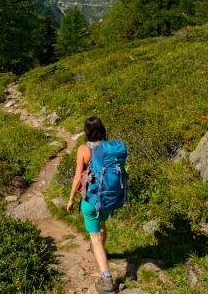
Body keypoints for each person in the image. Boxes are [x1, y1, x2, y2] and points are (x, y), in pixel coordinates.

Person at [67, 117, 118, 294]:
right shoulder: (110, 147)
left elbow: (77, 177)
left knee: (94, 238)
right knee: (102, 224)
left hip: (91, 200)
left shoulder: (83, 149)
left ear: (86, 131)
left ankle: (107, 280)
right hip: (109, 199)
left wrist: (71, 198)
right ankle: (102, 252)